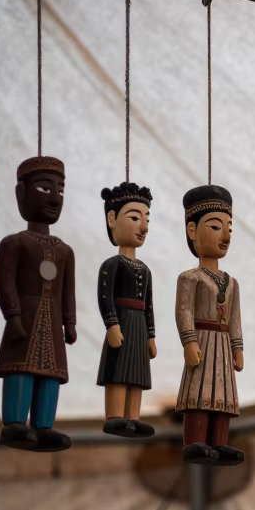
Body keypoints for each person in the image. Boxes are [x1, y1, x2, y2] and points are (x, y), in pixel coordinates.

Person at [0, 156, 76, 452]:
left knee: (50, 373)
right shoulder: (14, 243)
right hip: (24, 317)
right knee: (21, 368)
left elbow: (68, 291)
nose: (55, 198)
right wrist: (12, 313)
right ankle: (15, 422)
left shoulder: (65, 251)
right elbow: (4, 282)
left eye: (61, 191)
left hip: (52, 321)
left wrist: (70, 322)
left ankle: (44, 425)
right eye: (44, 189)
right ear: (21, 194)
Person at [175, 184, 245, 466]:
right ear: (192, 231)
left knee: (223, 395)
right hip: (203, 340)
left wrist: (237, 347)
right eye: (216, 226)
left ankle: (220, 442)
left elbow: (235, 319)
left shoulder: (232, 282)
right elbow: (183, 312)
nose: (226, 234)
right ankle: (195, 441)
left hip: (223, 345)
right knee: (199, 392)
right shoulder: (190, 278)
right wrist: (189, 341)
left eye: (229, 227)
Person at [96, 182, 156, 437]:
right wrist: (111, 323)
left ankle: (133, 416)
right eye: (134, 217)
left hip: (139, 324)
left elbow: (149, 305)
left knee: (137, 374)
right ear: (112, 218)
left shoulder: (145, 269)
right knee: (119, 371)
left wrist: (151, 335)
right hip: (121, 320)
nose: (143, 226)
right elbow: (104, 296)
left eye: (146, 219)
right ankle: (115, 415)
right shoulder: (112, 264)